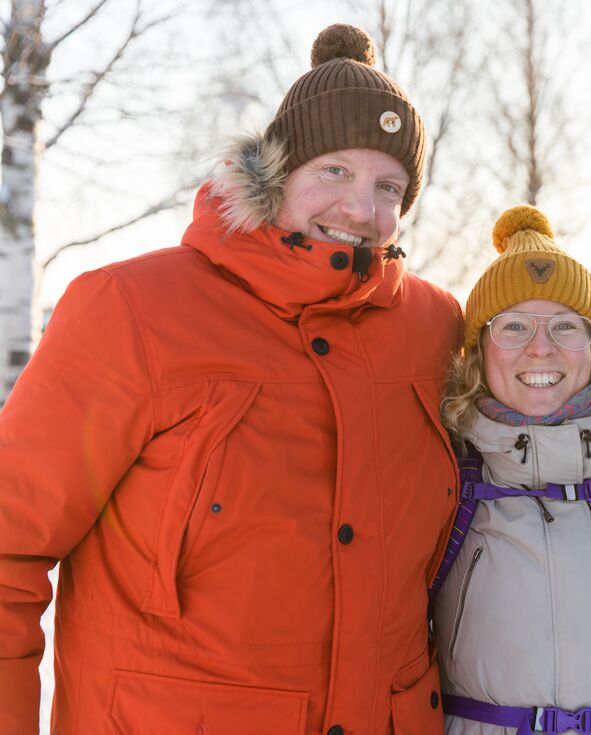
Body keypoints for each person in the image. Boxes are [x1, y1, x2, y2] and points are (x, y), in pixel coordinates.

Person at [0, 24, 463, 735]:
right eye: (334, 171)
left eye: (388, 186)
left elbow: (544, 407)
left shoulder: (432, 328)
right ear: (275, 176)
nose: (360, 209)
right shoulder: (133, 311)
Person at [430, 205, 591, 735]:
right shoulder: (443, 465)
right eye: (514, 327)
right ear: (478, 348)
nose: (541, 348)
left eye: (564, 327)